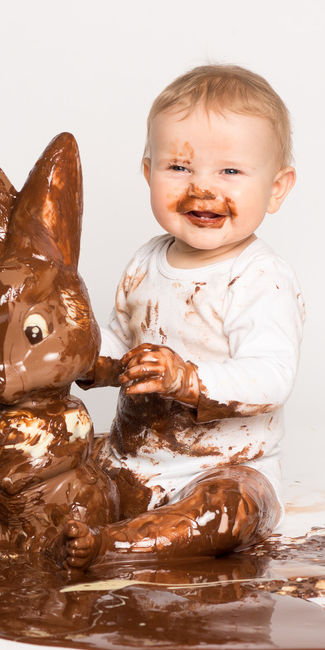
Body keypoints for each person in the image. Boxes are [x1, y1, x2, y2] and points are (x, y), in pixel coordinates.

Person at [63, 64, 305, 568]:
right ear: (148, 171)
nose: (202, 188)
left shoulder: (260, 277)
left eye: (230, 172)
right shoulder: (145, 262)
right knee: (58, 466)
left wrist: (187, 379)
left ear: (277, 188)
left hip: (224, 467)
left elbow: (271, 377)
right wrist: (82, 349)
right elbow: (121, 347)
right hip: (134, 461)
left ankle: (115, 547)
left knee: (225, 511)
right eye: (179, 167)